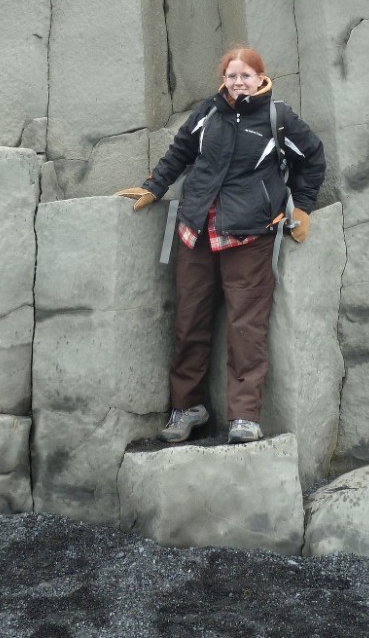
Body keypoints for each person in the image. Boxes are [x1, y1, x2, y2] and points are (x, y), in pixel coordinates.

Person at [117, 47, 326, 445]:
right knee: (189, 321)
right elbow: (179, 152)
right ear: (223, 79)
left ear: (261, 77)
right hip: (196, 230)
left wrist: (303, 206)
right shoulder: (207, 113)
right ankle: (188, 408)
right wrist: (153, 187)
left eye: (246, 75)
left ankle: (244, 417)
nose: (238, 82)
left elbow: (313, 158)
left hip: (249, 235)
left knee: (245, 328)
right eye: (232, 75)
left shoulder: (277, 117)